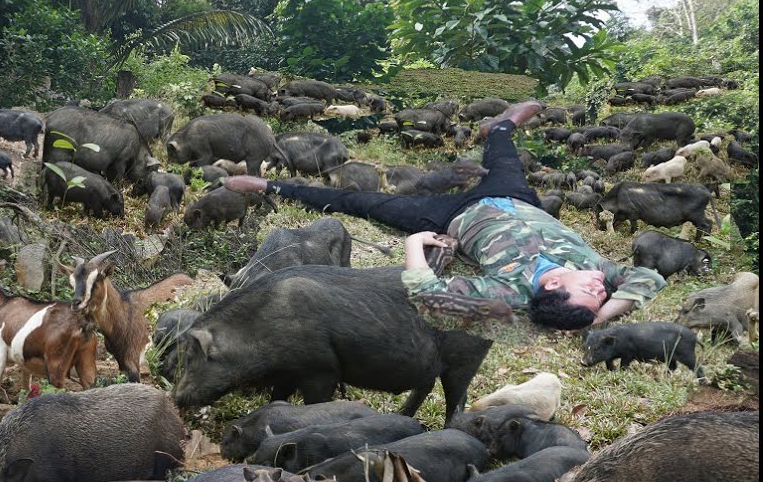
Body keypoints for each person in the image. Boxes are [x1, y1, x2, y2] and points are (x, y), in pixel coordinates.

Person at [224, 101, 665, 330]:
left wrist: (415, 244)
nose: (599, 288)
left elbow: (427, 294)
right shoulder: (596, 267)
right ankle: (501, 126)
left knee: (364, 203)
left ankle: (271, 186)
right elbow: (648, 278)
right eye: (598, 293)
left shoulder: (509, 291)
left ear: (552, 288)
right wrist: (600, 314)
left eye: (592, 295)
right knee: (504, 154)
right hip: (516, 198)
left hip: (453, 216)